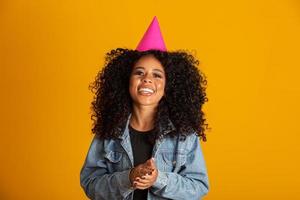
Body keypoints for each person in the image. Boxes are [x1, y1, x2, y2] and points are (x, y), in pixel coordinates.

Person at [80, 16, 210, 200]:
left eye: (157, 75)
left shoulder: (184, 135)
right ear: (127, 81)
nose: (147, 79)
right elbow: (91, 185)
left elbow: (198, 186)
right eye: (139, 72)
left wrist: (159, 179)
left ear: (168, 86)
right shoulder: (109, 131)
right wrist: (129, 177)